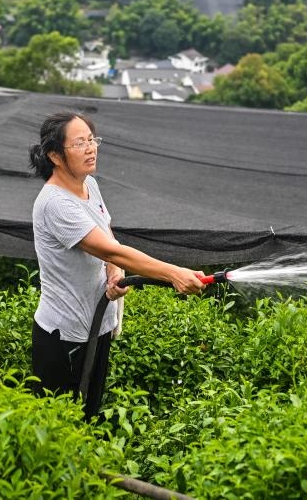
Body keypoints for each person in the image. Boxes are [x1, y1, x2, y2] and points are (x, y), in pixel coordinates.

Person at [28, 111, 204, 420]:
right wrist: (174, 273)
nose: (91, 148)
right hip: (64, 335)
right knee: (56, 423)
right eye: (79, 143)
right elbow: (112, 250)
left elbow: (105, 234)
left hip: (98, 325)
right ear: (55, 155)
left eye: (92, 139)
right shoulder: (55, 203)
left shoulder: (89, 185)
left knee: (89, 411)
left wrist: (113, 271)